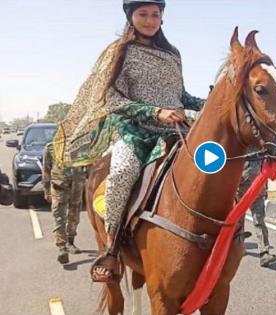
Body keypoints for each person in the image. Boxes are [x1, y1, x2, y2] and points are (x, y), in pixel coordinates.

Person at [53, 0, 204, 282]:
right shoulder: (120, 51)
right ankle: (111, 248)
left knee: (212, 165)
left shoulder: (172, 54)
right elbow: (113, 99)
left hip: (176, 129)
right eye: (142, 14)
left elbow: (181, 95)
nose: (149, 20)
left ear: (162, 18)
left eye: (155, 14)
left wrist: (208, 103)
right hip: (136, 131)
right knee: (122, 172)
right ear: (130, 16)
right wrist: (154, 111)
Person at [43, 142, 86, 264]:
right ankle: (62, 248)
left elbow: (88, 165)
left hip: (77, 186)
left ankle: (70, 242)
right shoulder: (51, 147)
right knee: (59, 217)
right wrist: (46, 189)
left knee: (74, 216)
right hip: (58, 187)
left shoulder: (81, 146)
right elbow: (46, 169)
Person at [238, 157, 276, 268]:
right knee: (238, 221)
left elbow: (266, 169)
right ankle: (239, 247)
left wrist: (266, 188)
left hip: (259, 191)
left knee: (259, 221)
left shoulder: (263, 149)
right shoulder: (243, 145)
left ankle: (264, 253)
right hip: (241, 191)